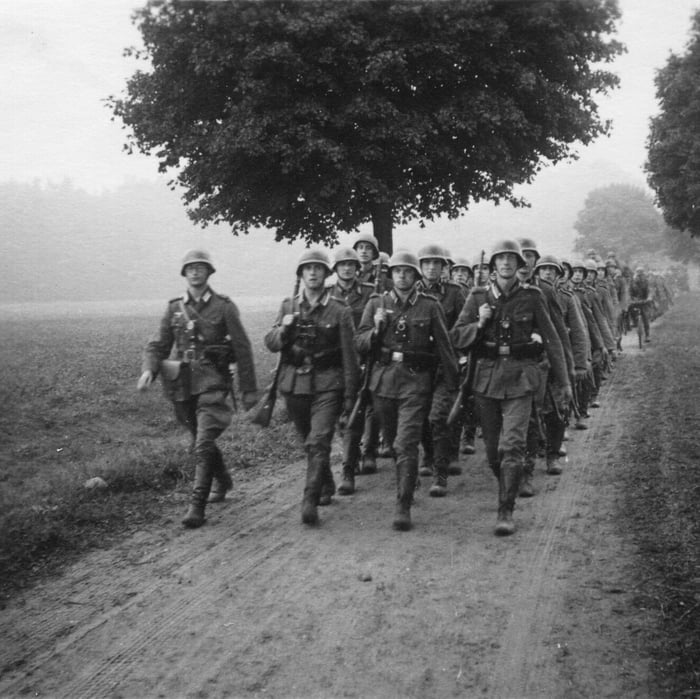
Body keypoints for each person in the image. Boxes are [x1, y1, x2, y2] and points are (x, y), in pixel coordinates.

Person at [451, 240, 571, 536]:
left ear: (520, 266)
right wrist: (479, 324)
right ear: (493, 266)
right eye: (500, 259)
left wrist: (564, 380)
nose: (505, 263)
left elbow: (553, 340)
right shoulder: (478, 295)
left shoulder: (533, 296)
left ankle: (505, 510)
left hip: (521, 377)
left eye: (511, 259)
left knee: (513, 446)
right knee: (493, 452)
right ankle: (508, 483)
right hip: (486, 379)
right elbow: (456, 335)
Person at [137, 249, 259, 528]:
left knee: (203, 443)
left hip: (212, 381)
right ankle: (224, 480)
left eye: (200, 267)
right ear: (184, 273)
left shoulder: (224, 306)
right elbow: (158, 345)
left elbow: (242, 348)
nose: (195, 271)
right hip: (182, 385)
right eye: (190, 267)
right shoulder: (174, 308)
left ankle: (197, 505)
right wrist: (149, 369)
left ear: (209, 272)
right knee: (199, 439)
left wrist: (248, 389)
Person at [355, 250, 459, 530]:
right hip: (383, 382)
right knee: (391, 441)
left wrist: (452, 386)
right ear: (391, 275)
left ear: (415, 276)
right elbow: (359, 342)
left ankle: (403, 504)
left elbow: (444, 347)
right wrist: (375, 330)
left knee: (406, 442)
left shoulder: (430, 305)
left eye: (408, 272)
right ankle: (408, 478)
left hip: (416, 382)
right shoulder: (376, 302)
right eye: (398, 271)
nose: (402, 275)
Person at [264, 248, 360, 526]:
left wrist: (351, 396)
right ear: (301, 275)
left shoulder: (339, 310)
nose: (313, 273)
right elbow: (270, 343)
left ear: (326, 274)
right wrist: (283, 329)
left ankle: (309, 499)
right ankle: (326, 483)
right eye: (308, 269)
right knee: (309, 440)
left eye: (318, 268)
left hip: (329, 384)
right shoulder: (288, 306)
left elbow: (349, 357)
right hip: (295, 385)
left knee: (319, 440)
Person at [416, 243, 468, 492]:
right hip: (418, 364)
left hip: (446, 362)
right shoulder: (412, 292)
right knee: (422, 415)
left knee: (440, 416)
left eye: (436, 263)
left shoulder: (455, 293)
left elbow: (465, 325)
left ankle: (441, 470)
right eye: (426, 263)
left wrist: (458, 354)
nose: (431, 268)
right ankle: (428, 454)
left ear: (444, 267)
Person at [327, 246, 375, 495]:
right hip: (335, 361)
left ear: (358, 268)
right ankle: (353, 454)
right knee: (336, 414)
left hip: (363, 358)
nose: (347, 268)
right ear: (335, 269)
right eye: (342, 264)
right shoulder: (327, 295)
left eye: (351, 264)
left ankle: (349, 467)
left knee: (357, 410)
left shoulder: (369, 292)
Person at [629, 266, 653, 342]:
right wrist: (630, 299)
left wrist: (649, 298)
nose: (639, 276)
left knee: (645, 318)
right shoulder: (632, 282)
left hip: (644, 301)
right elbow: (629, 292)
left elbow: (649, 291)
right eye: (638, 274)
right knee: (629, 309)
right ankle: (632, 321)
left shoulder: (646, 281)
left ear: (643, 274)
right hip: (635, 301)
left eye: (641, 274)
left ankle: (647, 335)